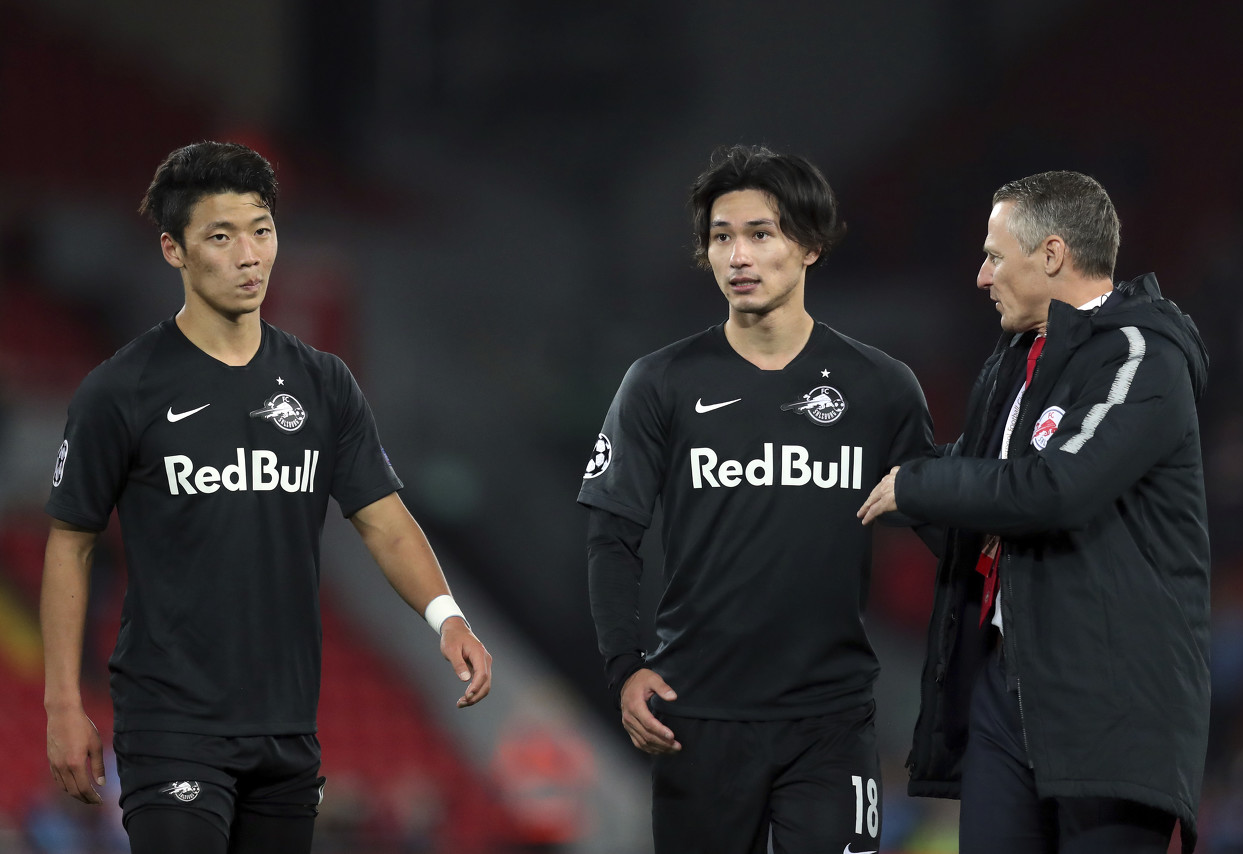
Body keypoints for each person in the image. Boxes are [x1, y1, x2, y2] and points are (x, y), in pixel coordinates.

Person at [41, 141, 493, 854]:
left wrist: (447, 617)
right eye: (221, 237)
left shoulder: (324, 383)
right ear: (173, 249)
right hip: (171, 725)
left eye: (262, 230)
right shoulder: (120, 391)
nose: (249, 255)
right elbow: (70, 544)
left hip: (286, 730)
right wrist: (62, 704)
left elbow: (382, 518)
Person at [578, 144, 935, 854]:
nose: (737, 256)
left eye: (760, 233)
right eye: (721, 237)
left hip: (832, 719)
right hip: (698, 715)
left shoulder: (881, 386)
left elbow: (942, 526)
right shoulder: (660, 382)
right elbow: (611, 534)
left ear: (809, 245)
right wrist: (624, 665)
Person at [857, 171, 1211, 853]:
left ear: (1051, 254)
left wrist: (918, 486)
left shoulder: (1141, 354)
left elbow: (1056, 488)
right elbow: (972, 492)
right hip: (1006, 686)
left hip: (1112, 702)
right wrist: (845, 468)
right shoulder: (1017, 364)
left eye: (994, 255)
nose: (981, 277)